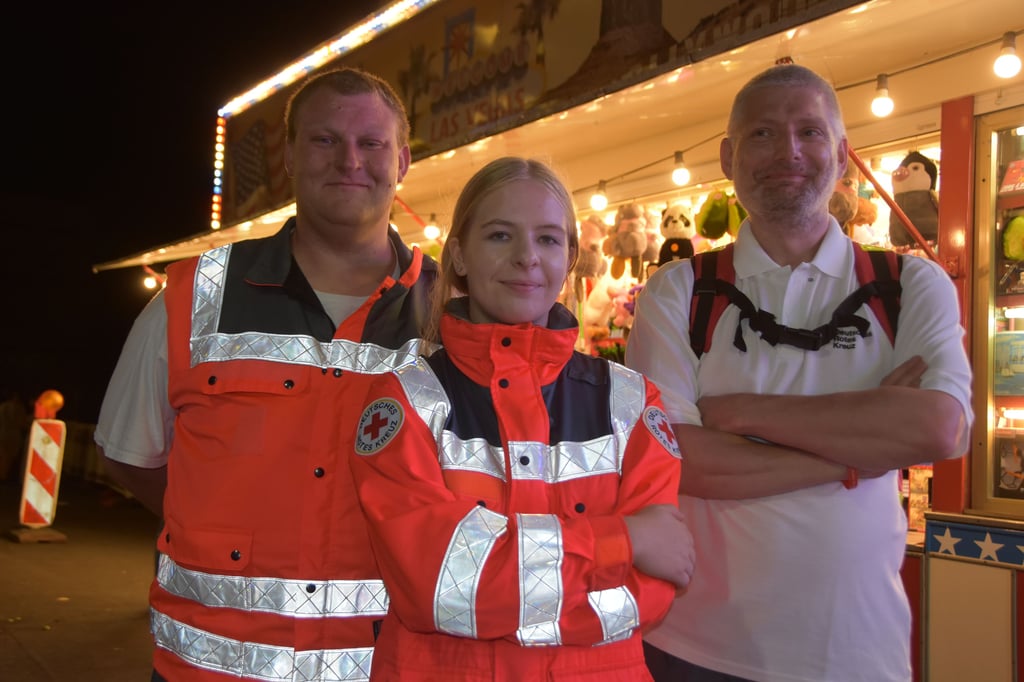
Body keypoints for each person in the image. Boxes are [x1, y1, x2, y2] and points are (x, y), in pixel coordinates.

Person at [625, 64, 973, 682]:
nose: (788, 152)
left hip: (858, 652)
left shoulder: (910, 285)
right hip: (695, 649)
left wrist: (741, 413)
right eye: (762, 134)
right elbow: (679, 463)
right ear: (729, 157)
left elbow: (939, 429)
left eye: (809, 132)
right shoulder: (679, 292)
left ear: (840, 154)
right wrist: (859, 455)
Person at [94, 67, 438, 682]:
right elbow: (130, 457)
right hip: (210, 668)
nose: (350, 160)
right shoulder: (192, 296)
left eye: (371, 143)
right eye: (325, 140)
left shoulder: (453, 312)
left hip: (391, 667)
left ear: (403, 161)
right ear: (290, 157)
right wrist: (211, 519)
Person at [348, 156, 696, 681]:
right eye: (500, 236)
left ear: (570, 257)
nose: (527, 257)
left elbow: (650, 595)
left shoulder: (631, 401)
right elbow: (435, 586)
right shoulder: (404, 401)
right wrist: (626, 541)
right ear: (459, 255)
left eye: (548, 239)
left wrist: (494, 587)